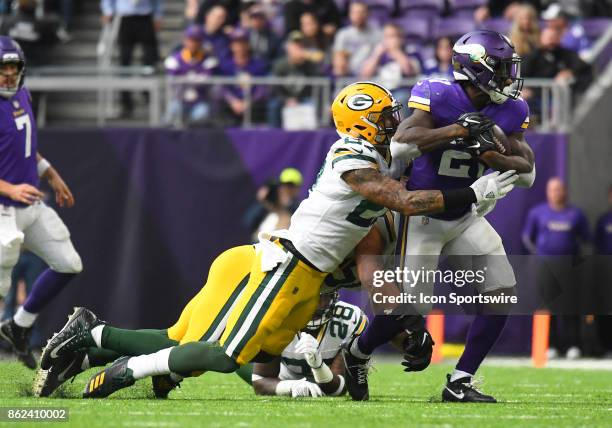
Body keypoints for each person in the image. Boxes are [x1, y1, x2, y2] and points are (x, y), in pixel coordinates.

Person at [39, 81, 516, 399]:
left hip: (298, 275)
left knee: (189, 343)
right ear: (362, 122)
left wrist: (402, 327)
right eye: (386, 116)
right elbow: (405, 206)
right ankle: (110, 363)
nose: (395, 122)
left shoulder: (380, 172)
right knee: (218, 354)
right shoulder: (351, 158)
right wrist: (471, 192)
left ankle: (92, 340)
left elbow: (378, 272)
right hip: (282, 265)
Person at [388, 30, 536, 403]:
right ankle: (358, 355)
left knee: (501, 292)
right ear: (477, 69)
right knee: (408, 310)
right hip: (424, 213)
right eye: (501, 69)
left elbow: (528, 171)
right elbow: (400, 145)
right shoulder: (438, 94)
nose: (508, 77)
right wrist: (458, 129)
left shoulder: (512, 109)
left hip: (466, 214)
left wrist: (492, 155)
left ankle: (460, 381)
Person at [0, 37, 83, 369]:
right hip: (4, 210)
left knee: (68, 263)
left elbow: (25, 147)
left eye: (13, 67)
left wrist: (51, 174)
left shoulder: (23, 95)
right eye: (2, 68)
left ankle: (19, 326)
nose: (7, 74)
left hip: (29, 205)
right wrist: (10, 188)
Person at [522, 177, 590, 359]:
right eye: (553, 190)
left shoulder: (576, 214)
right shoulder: (538, 213)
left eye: (559, 189)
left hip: (569, 268)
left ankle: (573, 345)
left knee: (569, 307)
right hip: (546, 268)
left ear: (565, 192)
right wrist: (539, 255)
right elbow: (527, 237)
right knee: (547, 307)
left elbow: (586, 240)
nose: (556, 193)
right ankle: (550, 345)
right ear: (547, 192)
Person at [251, 292, 367, 398]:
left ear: (333, 296)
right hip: (282, 374)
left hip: (328, 377)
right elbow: (261, 380)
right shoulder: (276, 315)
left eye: (321, 296)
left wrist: (318, 366)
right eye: (307, 296)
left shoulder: (351, 319)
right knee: (240, 359)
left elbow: (340, 388)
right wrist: (290, 387)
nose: (314, 304)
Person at [101, 0, 161, 117]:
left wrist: (158, 15)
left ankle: (149, 96)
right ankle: (126, 103)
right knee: (124, 62)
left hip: (145, 17)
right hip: (125, 18)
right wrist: (108, 11)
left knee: (150, 60)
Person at [164, 25, 218, 127]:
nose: (193, 43)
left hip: (199, 101)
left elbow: (206, 79)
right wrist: (195, 79)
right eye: (190, 39)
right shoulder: (174, 59)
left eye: (196, 40)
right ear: (185, 40)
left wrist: (186, 79)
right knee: (172, 111)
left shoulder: (208, 60)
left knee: (202, 114)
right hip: (180, 99)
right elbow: (173, 80)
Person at [359, 23, 420, 108]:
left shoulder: (410, 52)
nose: (390, 40)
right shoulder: (378, 53)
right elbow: (365, 74)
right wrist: (377, 55)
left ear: (401, 38)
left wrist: (396, 51)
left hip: (401, 90)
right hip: (380, 91)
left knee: (401, 99)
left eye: (393, 36)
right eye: (387, 37)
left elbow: (409, 71)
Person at [268, 31, 320, 128]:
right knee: (273, 106)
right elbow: (275, 88)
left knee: (313, 104)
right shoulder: (280, 65)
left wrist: (305, 62)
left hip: (303, 98)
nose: (298, 48)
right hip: (284, 97)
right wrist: (286, 100)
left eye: (301, 46)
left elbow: (316, 82)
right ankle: (273, 133)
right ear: (288, 47)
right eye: (295, 45)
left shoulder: (309, 65)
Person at [216, 29, 269, 125]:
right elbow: (222, 88)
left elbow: (262, 88)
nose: (240, 47)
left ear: (248, 45)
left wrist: (249, 102)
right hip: (231, 106)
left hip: (253, 107)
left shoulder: (258, 64)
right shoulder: (225, 65)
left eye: (243, 43)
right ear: (231, 46)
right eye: (236, 43)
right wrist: (233, 101)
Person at [242, 168, 304, 240]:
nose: (286, 189)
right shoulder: (268, 207)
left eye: (291, 186)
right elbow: (248, 221)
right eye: (284, 185)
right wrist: (262, 202)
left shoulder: (299, 208)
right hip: (258, 246)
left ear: (297, 189)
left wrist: (287, 204)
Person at [332, 2, 381, 76]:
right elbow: (338, 55)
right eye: (355, 12)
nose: (358, 15)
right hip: (348, 75)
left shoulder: (378, 34)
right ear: (350, 14)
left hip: (372, 76)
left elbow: (379, 56)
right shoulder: (343, 34)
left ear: (368, 14)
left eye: (362, 12)